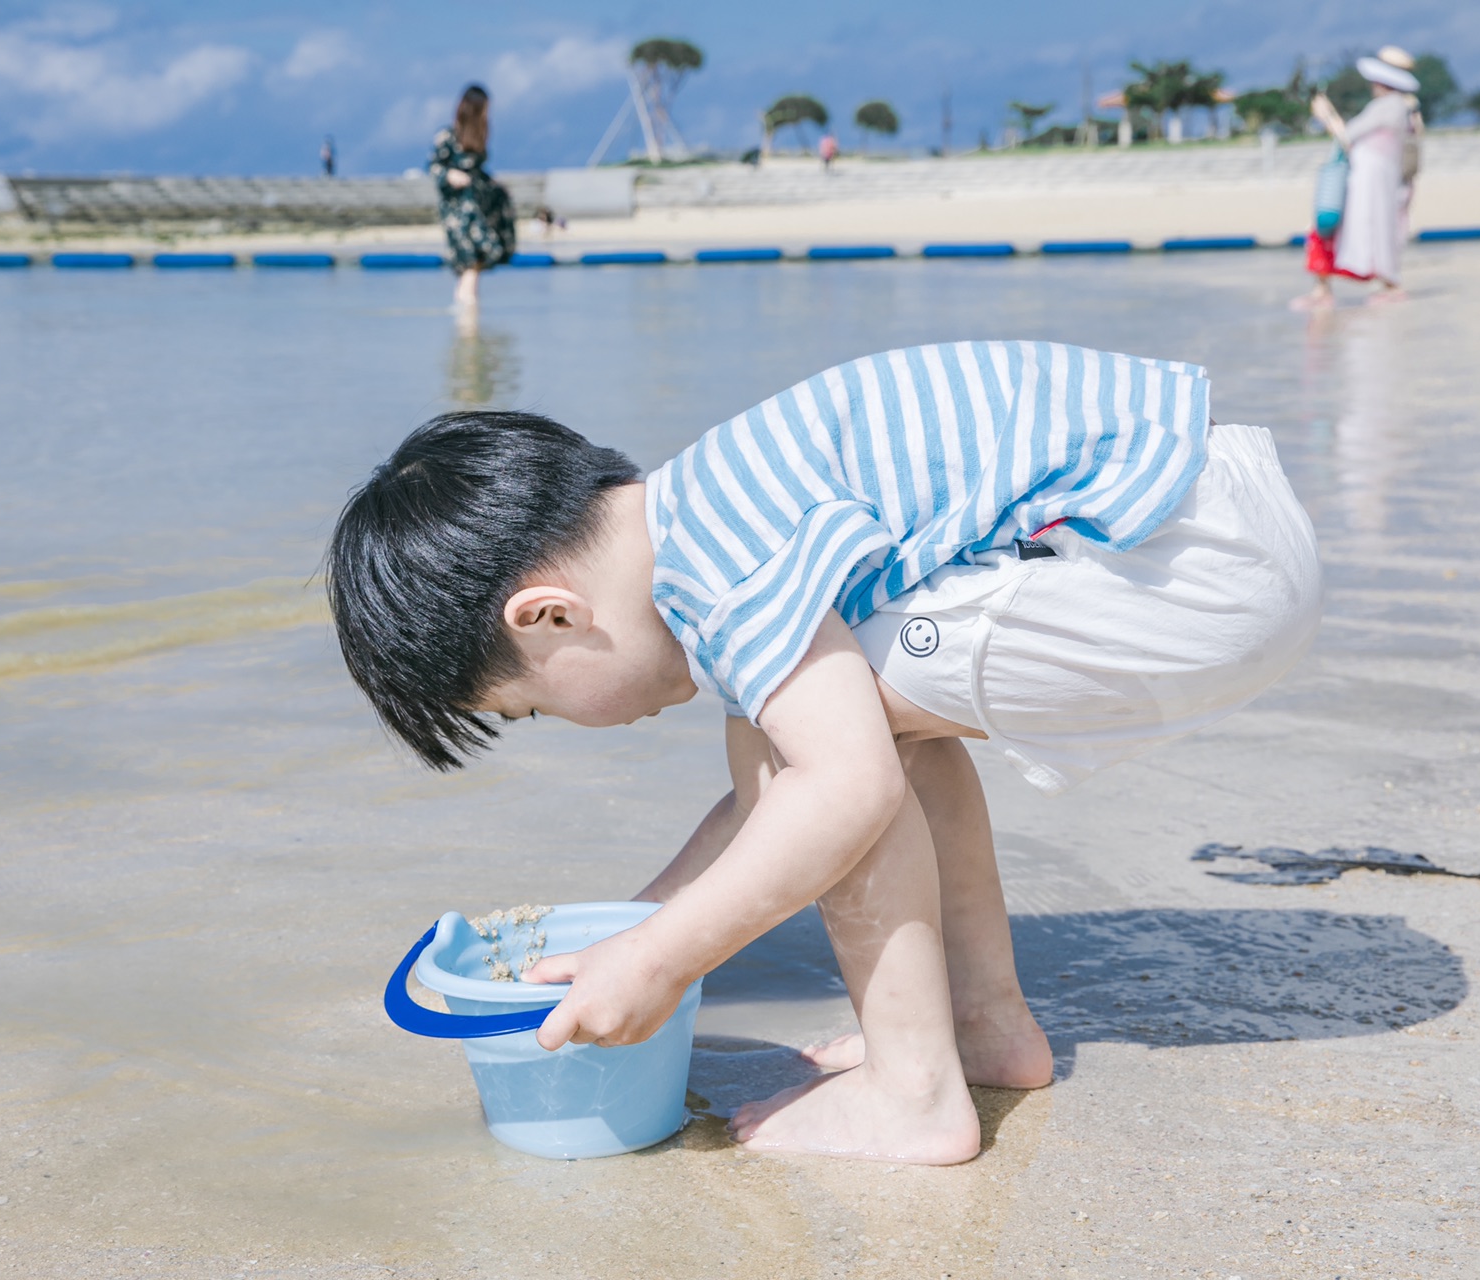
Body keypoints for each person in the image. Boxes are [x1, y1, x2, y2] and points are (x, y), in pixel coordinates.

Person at [328, 342, 1322, 1163]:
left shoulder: (716, 567)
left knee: (811, 741)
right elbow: (790, 801)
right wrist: (633, 926)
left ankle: (916, 1088)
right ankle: (981, 1026)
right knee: (822, 720)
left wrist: (663, 960)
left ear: (548, 617)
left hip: (1191, 556)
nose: (562, 722)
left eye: (531, 706)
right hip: (1202, 524)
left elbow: (840, 786)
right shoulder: (709, 511)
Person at [1295, 53, 1419, 308]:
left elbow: (1347, 136)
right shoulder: (1400, 108)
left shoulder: (1389, 106)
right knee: (1363, 227)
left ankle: (1383, 284)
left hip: (1369, 178)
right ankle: (1328, 287)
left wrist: (1326, 116)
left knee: (1360, 226)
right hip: (1372, 175)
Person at [429, 84, 516, 310]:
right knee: (470, 259)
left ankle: (467, 314)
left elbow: (477, 171)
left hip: (479, 206)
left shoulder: (477, 138)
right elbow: (434, 166)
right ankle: (469, 315)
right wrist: (451, 174)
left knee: (476, 261)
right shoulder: (447, 136)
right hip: (459, 211)